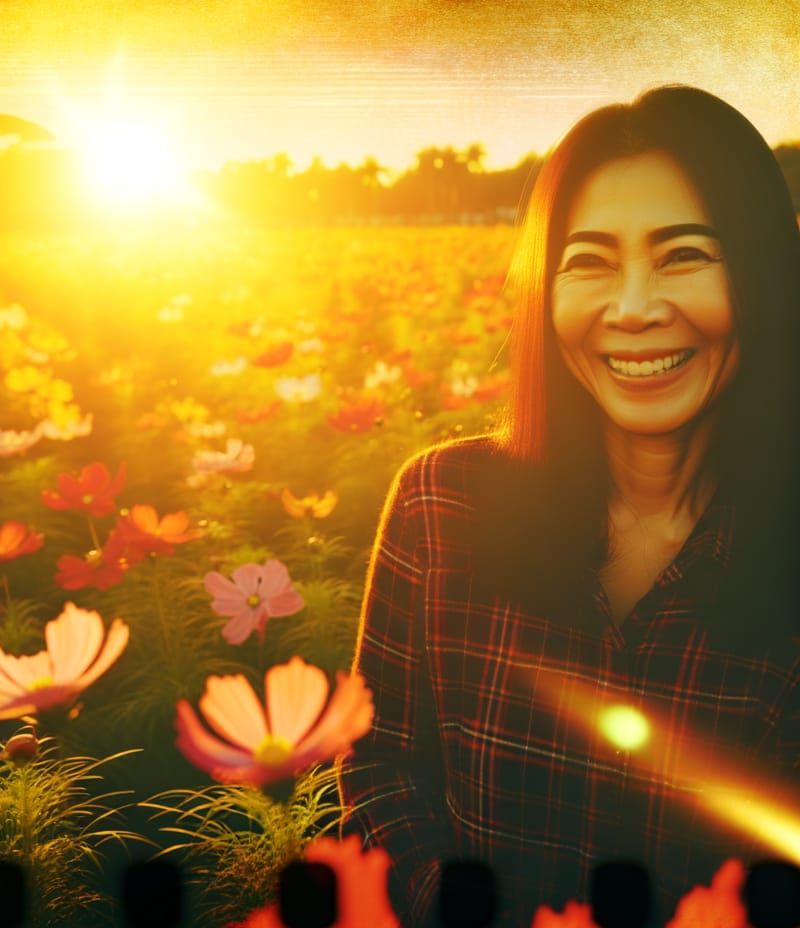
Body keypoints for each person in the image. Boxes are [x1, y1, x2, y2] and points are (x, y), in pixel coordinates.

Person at [338, 86, 800, 928]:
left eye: (684, 255)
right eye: (588, 262)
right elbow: (380, 767)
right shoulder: (440, 507)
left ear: (766, 274)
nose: (632, 309)